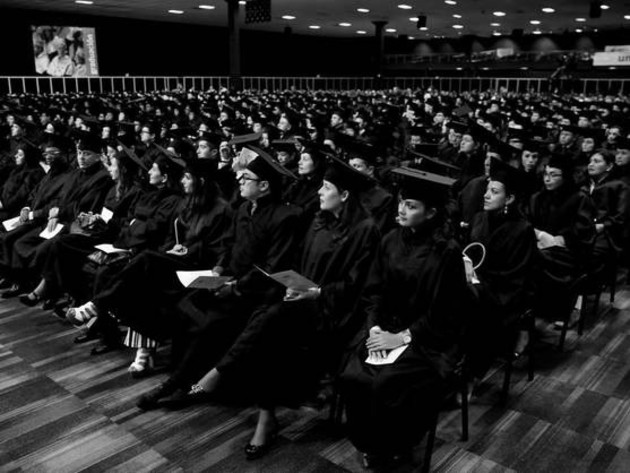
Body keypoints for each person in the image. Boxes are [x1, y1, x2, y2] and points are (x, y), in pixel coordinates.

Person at [178, 156, 381, 460]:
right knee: (268, 321)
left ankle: (223, 375)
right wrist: (294, 284)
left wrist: (317, 293)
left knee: (270, 321)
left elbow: (358, 286)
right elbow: (298, 262)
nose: (319, 193)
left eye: (326, 188)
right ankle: (262, 415)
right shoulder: (318, 219)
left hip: (335, 313)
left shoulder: (365, 230)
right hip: (301, 302)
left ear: (345, 195)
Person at [135, 146, 302, 409]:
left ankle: (184, 386)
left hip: (258, 293)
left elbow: (273, 267)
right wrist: (219, 271)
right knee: (184, 304)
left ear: (265, 185)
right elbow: (229, 246)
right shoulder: (245, 209)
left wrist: (235, 287)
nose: (239, 180)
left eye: (246, 178)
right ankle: (182, 378)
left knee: (209, 323)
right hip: (227, 281)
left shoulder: (286, 216)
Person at [340, 167, 469, 469]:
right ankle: (370, 443)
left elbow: (445, 312)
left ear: (431, 212)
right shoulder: (389, 240)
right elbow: (373, 292)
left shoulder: (446, 252)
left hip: (427, 339)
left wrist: (402, 337)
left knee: (387, 383)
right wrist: (373, 328)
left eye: (411, 206)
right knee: (353, 375)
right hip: (385, 329)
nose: (401, 209)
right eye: (401, 202)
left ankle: (396, 446)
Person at [64, 159, 232, 373]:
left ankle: (96, 307)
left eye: (187, 177)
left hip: (198, 269)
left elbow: (220, 249)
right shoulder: (187, 203)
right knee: (140, 282)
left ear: (201, 181)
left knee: (145, 261)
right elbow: (173, 238)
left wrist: (187, 251)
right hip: (177, 261)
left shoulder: (221, 210)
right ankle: (143, 350)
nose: (182, 181)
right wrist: (174, 248)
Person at [465, 158, 537, 383]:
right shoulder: (479, 219)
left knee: (475, 318)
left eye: (494, 192)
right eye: (487, 189)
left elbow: (516, 276)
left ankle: (469, 377)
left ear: (510, 198)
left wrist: (479, 282)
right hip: (473, 285)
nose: (486, 195)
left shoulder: (522, 230)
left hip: (502, 295)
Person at [528, 154, 594, 325]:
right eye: (545, 174)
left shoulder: (580, 198)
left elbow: (583, 231)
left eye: (554, 175)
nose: (547, 179)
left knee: (535, 259)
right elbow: (528, 222)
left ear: (565, 177)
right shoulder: (538, 197)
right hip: (539, 244)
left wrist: (560, 240)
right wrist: (539, 236)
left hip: (568, 252)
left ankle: (563, 308)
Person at [581, 150, 629, 273]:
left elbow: (621, 217)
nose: (590, 165)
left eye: (596, 161)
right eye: (590, 161)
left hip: (607, 234)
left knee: (587, 252)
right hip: (584, 230)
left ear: (609, 166)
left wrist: (602, 226)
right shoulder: (583, 186)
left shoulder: (620, 186)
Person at [0, 142, 45, 222]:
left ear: (28, 157)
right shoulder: (18, 169)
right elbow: (5, 186)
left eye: (20, 155)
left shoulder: (35, 173)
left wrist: (3, 205)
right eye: (17, 153)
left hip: (12, 211)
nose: (16, 156)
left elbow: (21, 196)